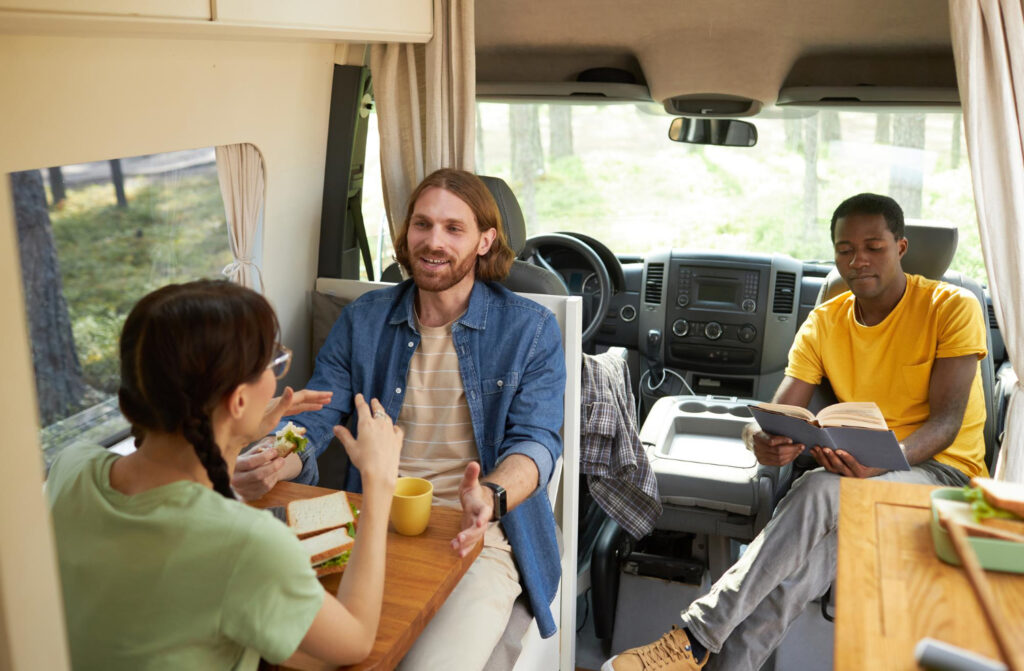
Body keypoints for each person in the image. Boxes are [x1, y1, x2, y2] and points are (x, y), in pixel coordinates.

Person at [604, 193, 988, 671]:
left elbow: (947, 423)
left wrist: (885, 461)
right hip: (859, 482)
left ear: (901, 247)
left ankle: (695, 634)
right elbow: (770, 415)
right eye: (845, 249)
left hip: (943, 478)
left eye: (874, 246)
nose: (858, 260)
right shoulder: (825, 321)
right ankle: (701, 653)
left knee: (821, 488)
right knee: (790, 581)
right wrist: (761, 442)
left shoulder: (951, 306)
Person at [231, 168, 567, 670]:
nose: (433, 242)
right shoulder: (362, 318)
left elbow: (537, 443)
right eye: (422, 224)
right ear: (406, 232)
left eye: (454, 229)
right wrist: (277, 456)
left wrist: (491, 496)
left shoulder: (531, 329)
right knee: (278, 648)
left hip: (475, 532)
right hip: (366, 516)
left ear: (485, 241)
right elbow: (317, 413)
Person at [46, 280, 404, 671]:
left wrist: (235, 435)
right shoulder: (248, 544)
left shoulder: (70, 467)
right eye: (274, 361)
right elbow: (355, 641)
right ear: (237, 400)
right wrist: (378, 482)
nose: (279, 375)